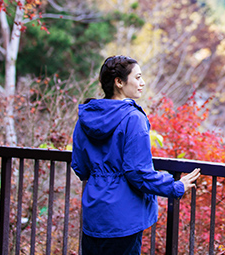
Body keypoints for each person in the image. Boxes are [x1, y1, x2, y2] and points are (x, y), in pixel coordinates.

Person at [71, 55, 200, 255]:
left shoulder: (86, 117)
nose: (143, 82)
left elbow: (80, 166)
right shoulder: (133, 118)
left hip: (94, 214)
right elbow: (138, 172)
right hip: (123, 219)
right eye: (138, 77)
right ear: (119, 82)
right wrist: (176, 186)